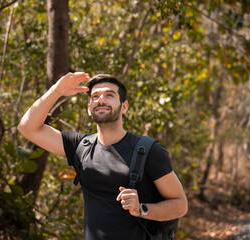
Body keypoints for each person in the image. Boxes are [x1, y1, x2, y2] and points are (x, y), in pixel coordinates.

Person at [17, 72, 188, 239]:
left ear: (124, 106)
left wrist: (141, 209)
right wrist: (56, 91)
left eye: (109, 95)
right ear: (89, 109)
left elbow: (180, 205)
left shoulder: (148, 150)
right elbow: (27, 128)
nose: (101, 100)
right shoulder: (81, 146)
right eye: (95, 97)